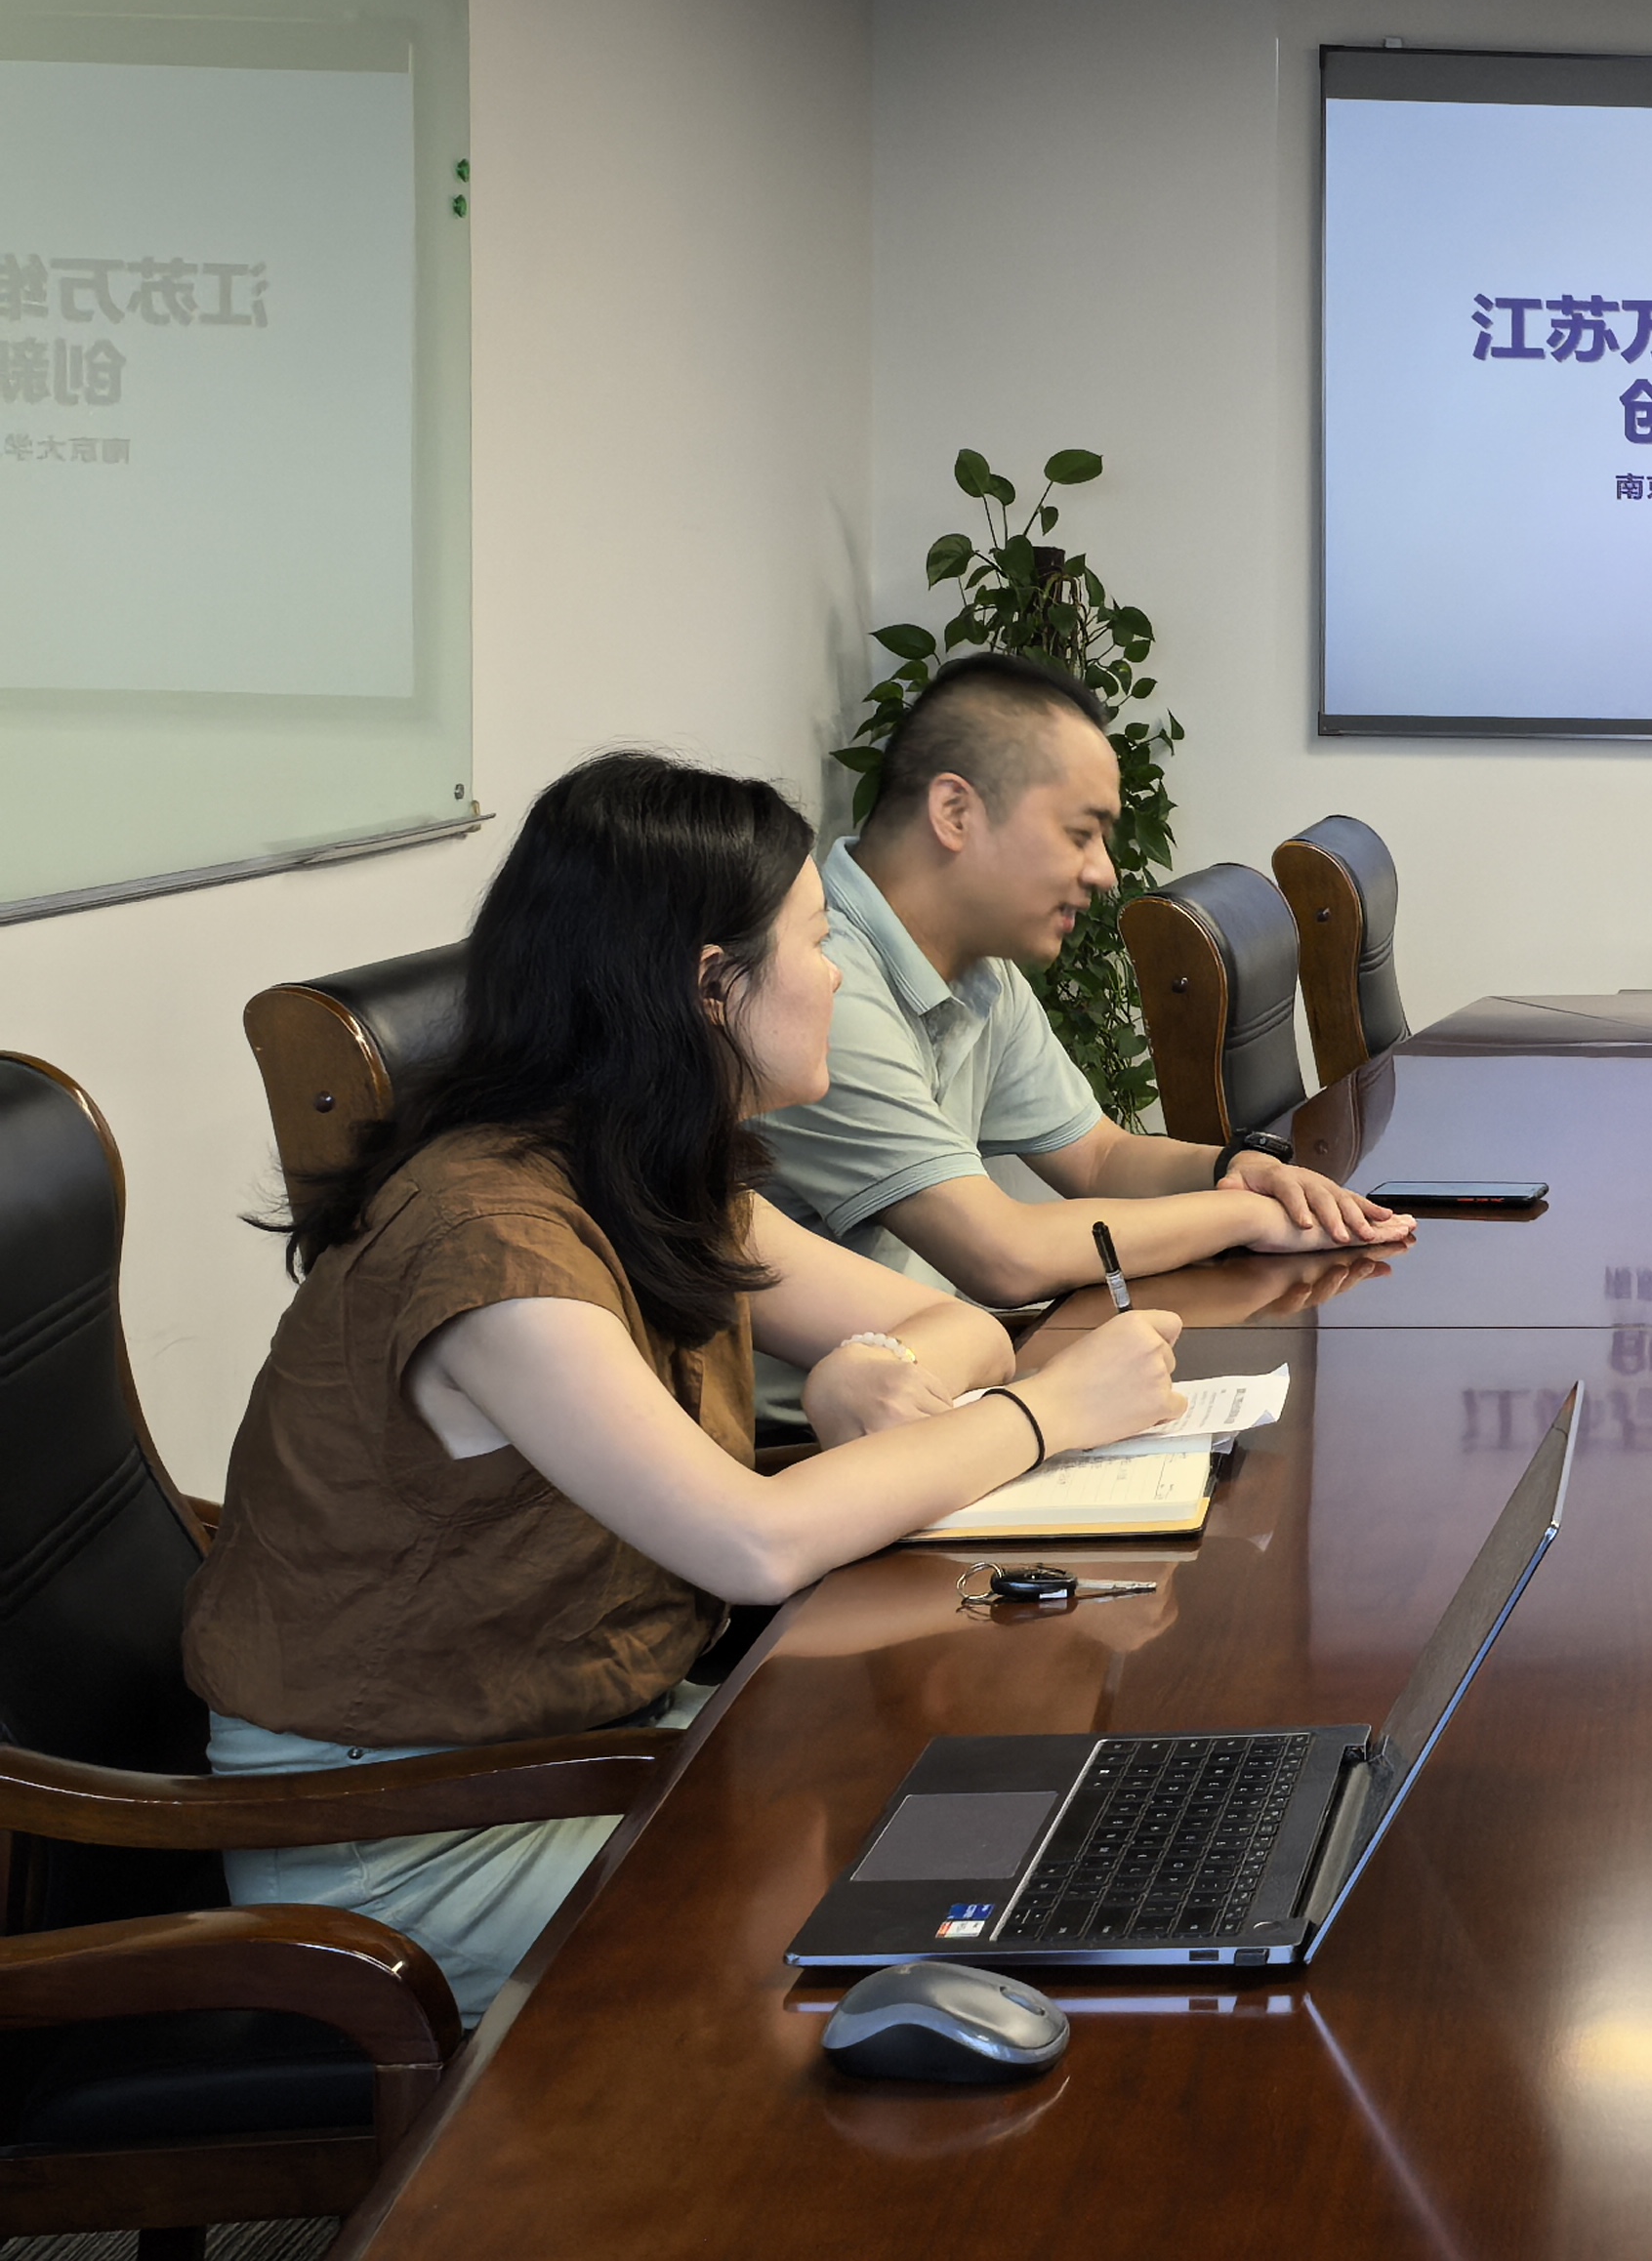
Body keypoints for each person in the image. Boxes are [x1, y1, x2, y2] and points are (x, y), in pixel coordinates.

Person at [185, 754, 1191, 2019]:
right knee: (917, 1913)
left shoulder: (645, 1169)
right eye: (816, 943)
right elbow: (751, 1545)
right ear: (714, 985)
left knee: (991, 1813)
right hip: (404, 1829)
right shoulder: (490, 1241)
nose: (837, 977)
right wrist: (1045, 1415)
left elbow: (953, 1323)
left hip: (595, 1734)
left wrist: (875, 1369)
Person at [750, 653, 1409, 1420]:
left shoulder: (977, 968)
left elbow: (1098, 1156)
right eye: (1080, 833)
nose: (1103, 872)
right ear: (955, 813)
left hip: (950, 1373)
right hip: (825, 1430)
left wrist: (1238, 1168)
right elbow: (1002, 1255)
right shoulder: (817, 985)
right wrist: (1249, 1215)